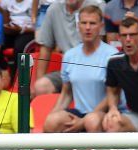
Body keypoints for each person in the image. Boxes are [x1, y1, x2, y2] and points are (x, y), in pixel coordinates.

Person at [42, 4, 116, 133]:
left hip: (103, 113)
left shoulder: (112, 55)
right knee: (51, 121)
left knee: (91, 121)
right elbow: (67, 93)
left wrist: (85, 120)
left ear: (101, 27)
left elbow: (114, 95)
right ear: (78, 26)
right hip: (79, 112)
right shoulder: (70, 55)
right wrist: (53, 114)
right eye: (84, 23)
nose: (87, 28)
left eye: (92, 23)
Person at [33, 0, 104, 96]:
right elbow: (45, 48)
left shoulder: (97, 6)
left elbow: (99, 46)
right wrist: (38, 82)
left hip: (93, 69)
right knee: (41, 86)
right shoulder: (54, 9)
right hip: (68, 70)